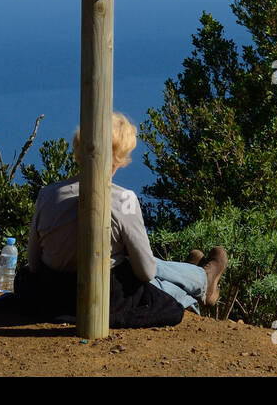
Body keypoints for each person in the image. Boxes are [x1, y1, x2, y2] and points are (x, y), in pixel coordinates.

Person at [26, 111, 226, 314]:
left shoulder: (47, 195)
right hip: (104, 301)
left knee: (127, 264)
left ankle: (194, 275)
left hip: (51, 297)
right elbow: (146, 272)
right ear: (119, 157)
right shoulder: (124, 200)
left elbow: (34, 264)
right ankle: (199, 280)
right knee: (150, 282)